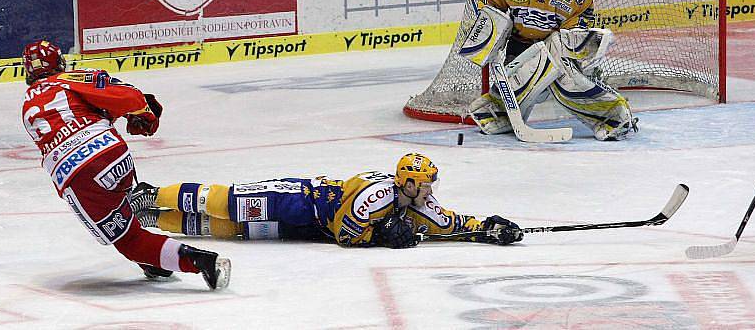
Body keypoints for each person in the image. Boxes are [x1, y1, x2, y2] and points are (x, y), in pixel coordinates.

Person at [20, 40, 231, 289]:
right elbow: (122, 94)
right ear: (60, 63)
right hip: (114, 156)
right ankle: (154, 261)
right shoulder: (69, 79)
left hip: (76, 175)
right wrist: (143, 113)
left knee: (128, 240)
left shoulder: (27, 105)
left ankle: (204, 262)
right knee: (123, 210)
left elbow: (70, 122)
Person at [129, 153, 524, 248]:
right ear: (407, 184)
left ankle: (152, 218)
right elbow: (348, 234)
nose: (430, 192)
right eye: (424, 185)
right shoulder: (376, 197)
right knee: (231, 202)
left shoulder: (414, 200)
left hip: (306, 226)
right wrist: (382, 237)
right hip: (301, 200)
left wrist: (486, 227)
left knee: (235, 230)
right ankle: (151, 194)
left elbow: (446, 222)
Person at [465, 0, 638, 141]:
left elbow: (575, 33)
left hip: (554, 41)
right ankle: (499, 113)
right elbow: (490, 2)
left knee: (567, 84)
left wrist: (579, 57)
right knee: (517, 83)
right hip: (520, 41)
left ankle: (615, 117)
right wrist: (492, 25)